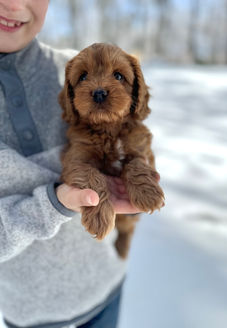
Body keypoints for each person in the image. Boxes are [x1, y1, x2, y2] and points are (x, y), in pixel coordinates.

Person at [0, 1, 141, 327]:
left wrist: (132, 169)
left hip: (106, 290)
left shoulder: (82, 70)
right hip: (32, 317)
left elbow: (130, 139)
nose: (14, 4)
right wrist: (54, 203)